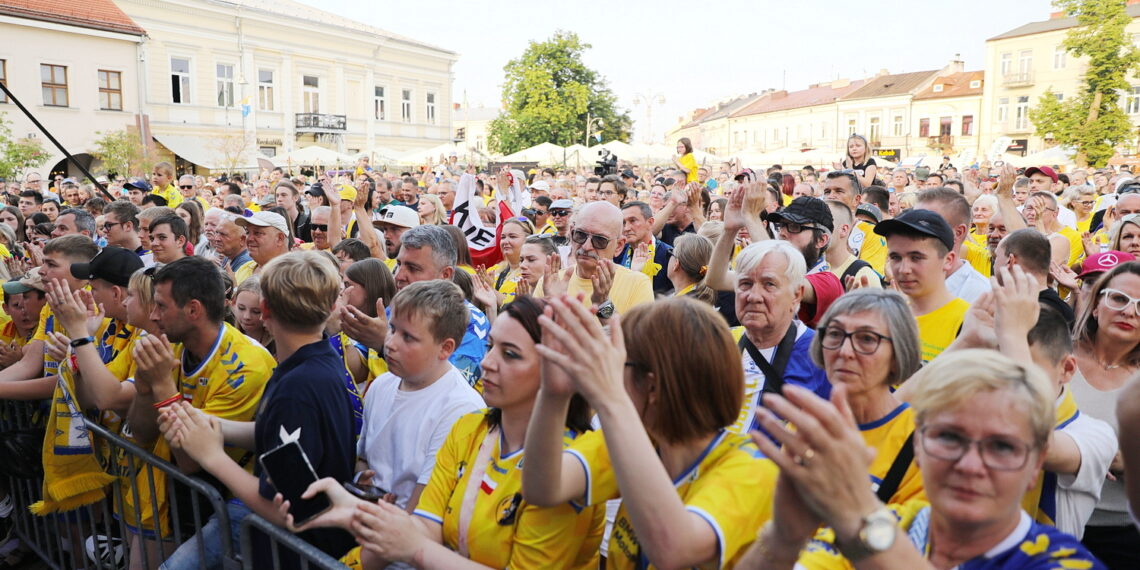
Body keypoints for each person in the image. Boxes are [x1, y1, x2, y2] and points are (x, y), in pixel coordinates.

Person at [278, 296, 606, 569]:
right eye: (490, 345)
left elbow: (418, 542)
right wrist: (361, 515)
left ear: (556, 370)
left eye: (510, 354)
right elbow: (427, 524)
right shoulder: (471, 426)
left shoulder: (573, 466)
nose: (488, 362)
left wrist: (412, 548)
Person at [739, 349, 1104, 570]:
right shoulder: (895, 524)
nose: (970, 465)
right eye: (948, 438)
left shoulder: (1060, 561)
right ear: (917, 443)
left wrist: (857, 513)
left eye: (1002, 447)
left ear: (1036, 464)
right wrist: (784, 536)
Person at [523, 296, 778, 568]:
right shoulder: (644, 439)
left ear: (652, 387)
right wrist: (553, 395)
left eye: (619, 364)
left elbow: (674, 550)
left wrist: (610, 400)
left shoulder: (752, 470)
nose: (612, 375)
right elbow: (543, 488)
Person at [157, 251, 356, 568]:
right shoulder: (312, 360)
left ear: (265, 310)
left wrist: (213, 457)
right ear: (332, 307)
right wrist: (210, 423)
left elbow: (287, 508)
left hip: (297, 552)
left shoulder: (299, 387)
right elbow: (278, 438)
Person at [355, 280, 484, 513]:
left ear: (445, 348)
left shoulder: (461, 409)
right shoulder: (381, 385)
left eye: (408, 337)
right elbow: (363, 456)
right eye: (392, 329)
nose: (390, 344)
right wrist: (360, 480)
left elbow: (425, 507)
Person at [811, 289, 924, 504]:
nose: (845, 351)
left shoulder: (922, 443)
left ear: (897, 353)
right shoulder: (805, 426)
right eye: (835, 334)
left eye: (866, 339)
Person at [1069, 261, 1140, 566]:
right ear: (1096, 305)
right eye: (1119, 299)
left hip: (1122, 533)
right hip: (1048, 518)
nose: (1130, 312)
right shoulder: (1056, 355)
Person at [874, 209, 969, 362]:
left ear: (948, 260)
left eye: (916, 258)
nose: (904, 269)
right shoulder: (885, 315)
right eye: (895, 257)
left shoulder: (968, 324)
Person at [535, 201, 654, 316]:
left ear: (619, 246)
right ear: (571, 233)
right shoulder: (551, 282)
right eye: (580, 235)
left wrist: (603, 304)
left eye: (599, 240)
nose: (587, 246)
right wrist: (551, 307)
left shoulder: (637, 284)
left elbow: (632, 337)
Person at [915, 188, 992, 303]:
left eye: (928, 224)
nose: (916, 229)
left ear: (959, 232)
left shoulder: (982, 295)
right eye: (915, 221)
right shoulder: (908, 280)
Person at [994, 229, 1077, 327]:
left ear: (1010, 261)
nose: (994, 264)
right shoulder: (1061, 308)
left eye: (996, 257)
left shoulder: (1025, 315)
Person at [823, 170, 887, 276]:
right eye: (827, 192)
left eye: (839, 191)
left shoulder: (872, 232)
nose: (831, 196)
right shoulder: (815, 229)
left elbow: (871, 279)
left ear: (856, 199)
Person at [614, 201, 674, 295]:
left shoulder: (669, 255)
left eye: (633, 220)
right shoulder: (617, 253)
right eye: (624, 223)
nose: (626, 228)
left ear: (650, 222)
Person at [823, 200, 882, 290]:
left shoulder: (863, 275)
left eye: (824, 223)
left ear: (844, 229)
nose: (817, 229)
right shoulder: (809, 265)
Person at [234, 211, 291, 283]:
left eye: (257, 233)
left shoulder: (296, 274)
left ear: (280, 238)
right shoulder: (244, 268)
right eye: (248, 232)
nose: (249, 238)